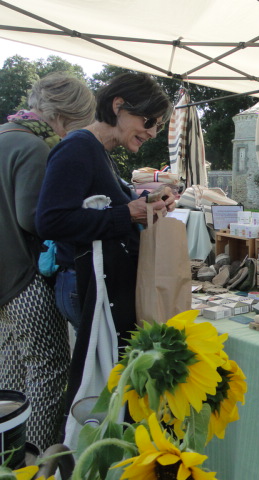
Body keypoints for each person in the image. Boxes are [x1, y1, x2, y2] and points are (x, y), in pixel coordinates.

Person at [35, 72, 175, 412]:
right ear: (119, 106)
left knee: (109, 385)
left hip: (96, 283)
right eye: (149, 120)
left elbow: (106, 205)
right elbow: (50, 221)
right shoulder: (78, 148)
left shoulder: (96, 151)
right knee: (102, 390)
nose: (152, 131)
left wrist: (150, 201)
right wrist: (127, 215)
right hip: (84, 285)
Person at [0, 72, 96, 450]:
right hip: (23, 278)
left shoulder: (5, 136)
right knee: (49, 368)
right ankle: (37, 459)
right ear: (68, 114)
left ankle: (8, 452)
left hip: (4, 280)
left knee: (12, 365)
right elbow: (33, 217)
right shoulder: (34, 148)